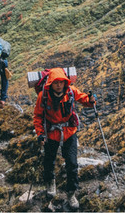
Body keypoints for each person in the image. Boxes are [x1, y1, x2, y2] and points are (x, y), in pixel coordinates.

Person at [33, 68, 96, 210]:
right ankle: (50, 182)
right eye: (56, 82)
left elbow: (84, 99)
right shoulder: (43, 96)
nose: (59, 85)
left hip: (69, 132)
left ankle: (71, 193)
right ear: (50, 83)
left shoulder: (71, 91)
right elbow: (37, 116)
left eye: (62, 82)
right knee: (49, 160)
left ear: (65, 82)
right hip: (51, 133)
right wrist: (40, 134)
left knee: (72, 164)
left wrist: (91, 100)